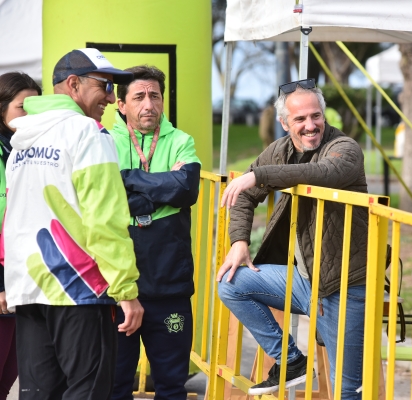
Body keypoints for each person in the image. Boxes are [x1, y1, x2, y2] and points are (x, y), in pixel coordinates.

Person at [2, 48, 144, 400]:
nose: (110, 98)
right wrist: (126, 290)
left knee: (39, 394)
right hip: (80, 288)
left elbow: (13, 216)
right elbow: (105, 219)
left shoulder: (22, 139)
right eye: (104, 86)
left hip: (30, 288)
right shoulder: (88, 133)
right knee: (87, 391)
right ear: (74, 84)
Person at [217, 78, 368, 399]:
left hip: (343, 284)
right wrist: (239, 241)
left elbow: (325, 173)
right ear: (285, 123)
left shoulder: (345, 148)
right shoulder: (281, 149)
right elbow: (244, 195)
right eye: (300, 119)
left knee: (346, 389)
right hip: (302, 281)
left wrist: (259, 175)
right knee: (231, 283)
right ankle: (291, 361)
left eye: (316, 116)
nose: (310, 125)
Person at [109, 65, 201, 400]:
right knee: (115, 386)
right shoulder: (105, 142)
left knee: (172, 387)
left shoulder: (181, 140)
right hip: (119, 288)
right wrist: (163, 187)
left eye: (155, 96)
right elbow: (106, 199)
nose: (149, 104)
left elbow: (187, 189)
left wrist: (127, 179)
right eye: (139, 97)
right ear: (122, 105)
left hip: (169, 284)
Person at [0, 72, 41, 400]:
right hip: (4, 280)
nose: (29, 114)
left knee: (9, 376)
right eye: (21, 106)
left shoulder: (28, 148)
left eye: (35, 106)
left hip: (24, 277)